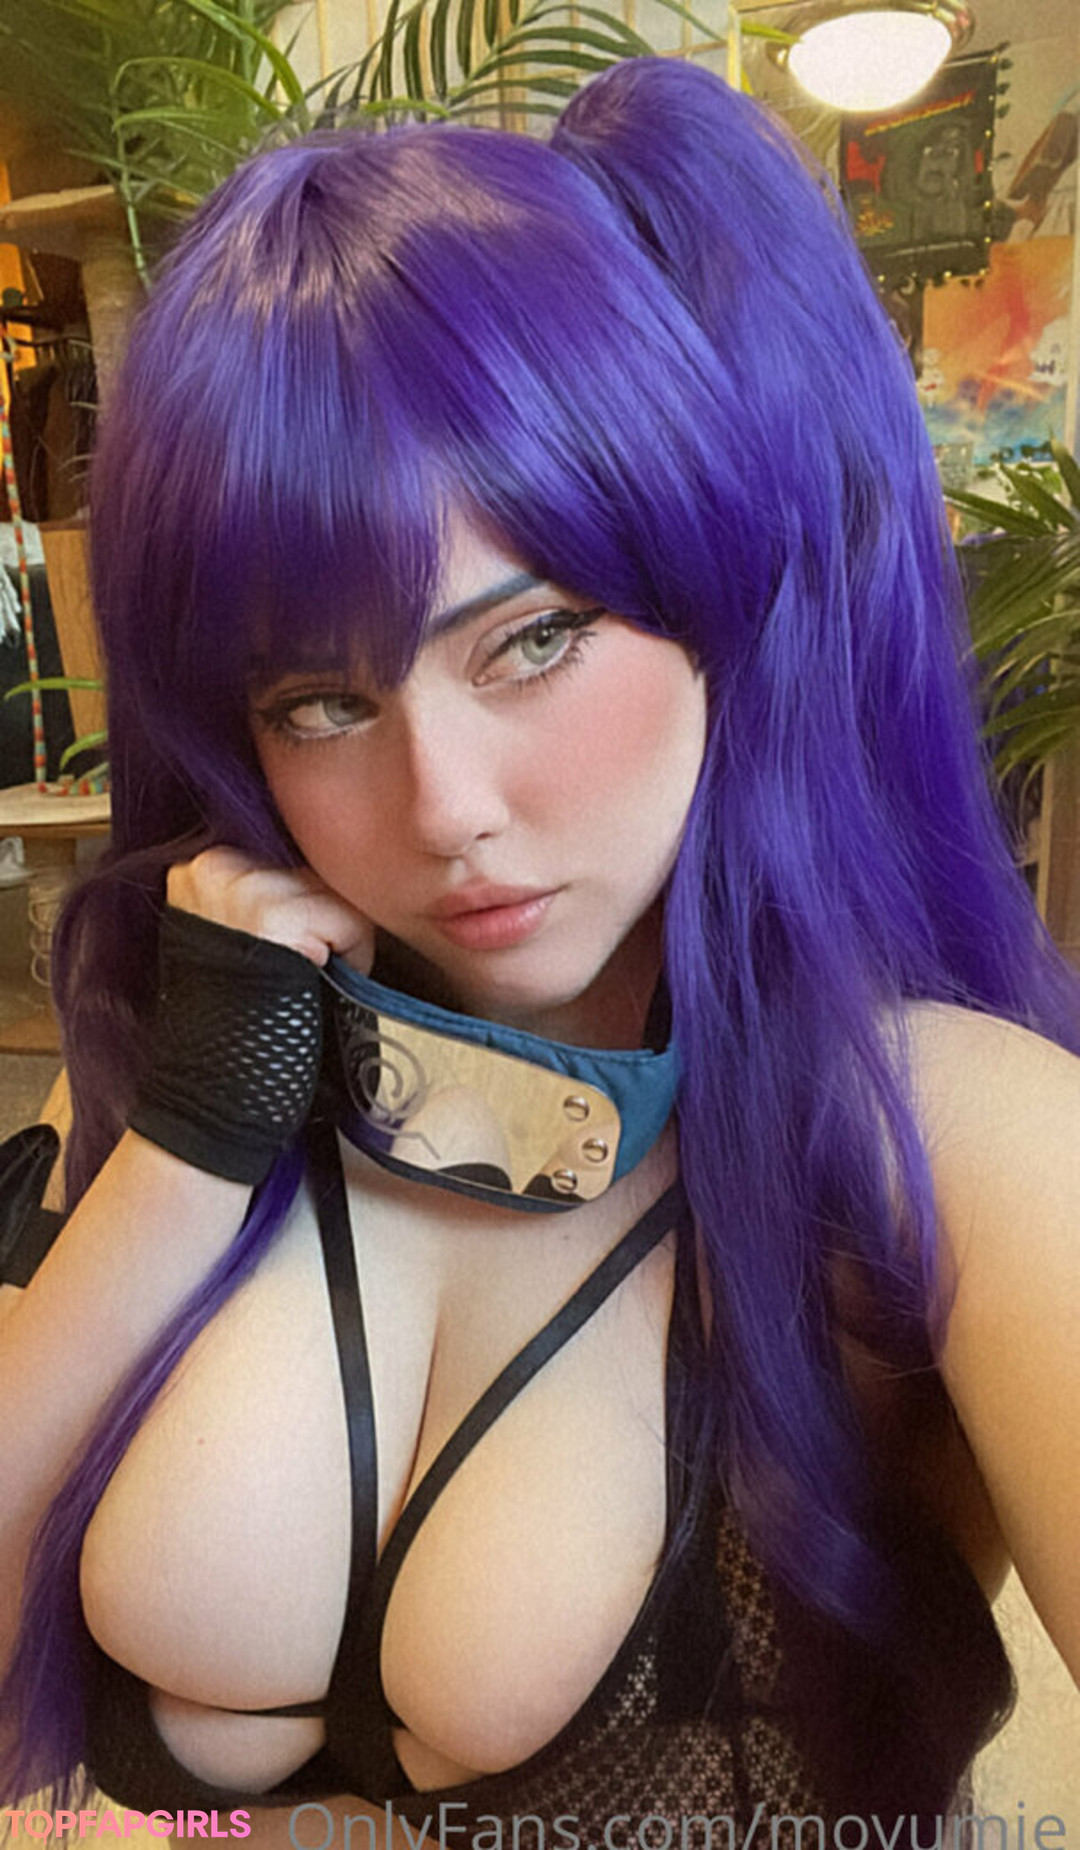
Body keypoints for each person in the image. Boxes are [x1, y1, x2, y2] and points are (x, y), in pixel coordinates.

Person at [1, 54, 1078, 1848]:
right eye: (323, 698)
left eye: (532, 640)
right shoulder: (222, 1056)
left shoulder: (936, 1130)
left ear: (717, 597)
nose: (444, 805)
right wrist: (184, 1151)